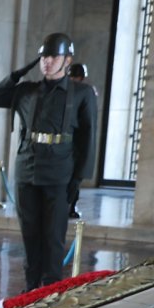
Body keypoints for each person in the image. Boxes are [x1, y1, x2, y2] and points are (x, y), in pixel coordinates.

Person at [0, 32, 96, 292]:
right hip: (27, 170)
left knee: (53, 236)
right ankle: (31, 286)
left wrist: (78, 179)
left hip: (59, 172)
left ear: (67, 60)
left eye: (53, 56)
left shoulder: (82, 93)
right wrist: (16, 74)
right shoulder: (26, 90)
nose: (47, 62)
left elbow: (88, 138)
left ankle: (51, 289)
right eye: (43, 57)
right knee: (30, 234)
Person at [67, 62, 97, 220]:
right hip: (70, 144)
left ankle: (70, 206)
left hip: (77, 144)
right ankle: (68, 206)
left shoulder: (86, 93)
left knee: (74, 180)